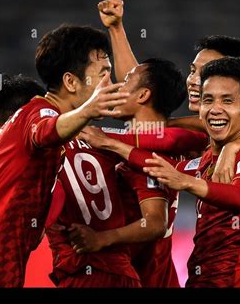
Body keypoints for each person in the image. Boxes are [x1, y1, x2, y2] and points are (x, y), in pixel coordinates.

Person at [97, 0, 240, 287]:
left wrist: (234, 149)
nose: (194, 80)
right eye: (194, 71)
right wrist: (117, 29)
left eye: (205, 72)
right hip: (214, 269)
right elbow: (142, 89)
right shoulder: (207, 130)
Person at [0, 24, 129, 287]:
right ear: (71, 81)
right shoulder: (37, 112)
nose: (111, 83)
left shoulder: (40, 127)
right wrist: (87, 110)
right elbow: (45, 132)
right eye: (103, 74)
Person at [48, 58, 207, 287]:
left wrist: (101, 238)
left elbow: (154, 223)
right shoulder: (150, 142)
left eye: (125, 81)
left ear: (142, 96)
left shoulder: (145, 154)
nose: (116, 87)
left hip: (144, 279)